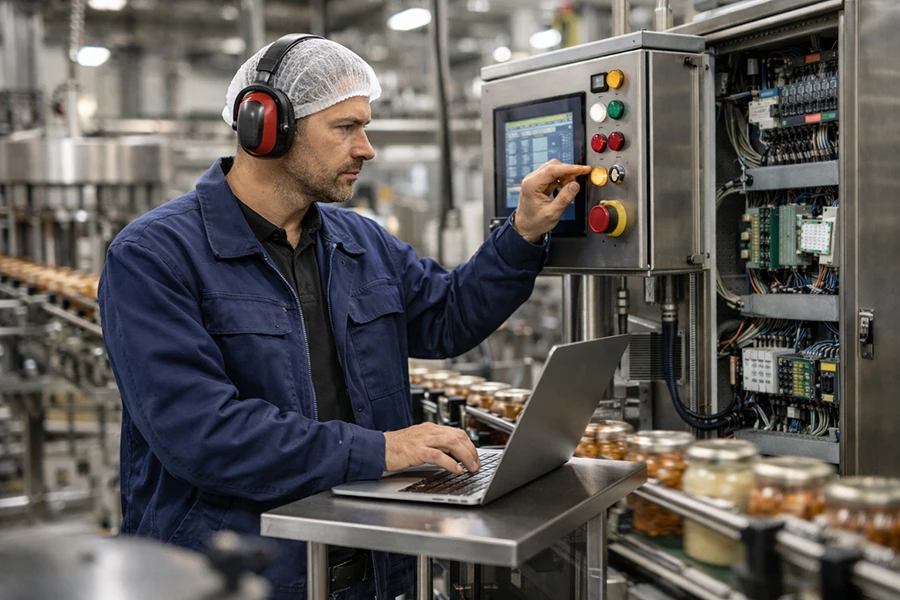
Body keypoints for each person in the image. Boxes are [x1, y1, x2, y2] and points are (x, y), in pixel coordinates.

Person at [99, 34, 590, 600]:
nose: (367, 148)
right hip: (233, 576)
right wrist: (382, 450)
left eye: (366, 127)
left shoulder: (357, 242)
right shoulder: (154, 256)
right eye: (346, 128)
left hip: (371, 570)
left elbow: (449, 316)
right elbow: (200, 433)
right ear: (267, 128)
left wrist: (523, 232)